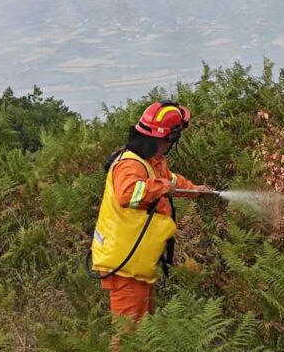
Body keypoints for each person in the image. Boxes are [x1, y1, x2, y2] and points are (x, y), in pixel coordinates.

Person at [89, 100, 214, 327]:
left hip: (137, 263)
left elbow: (171, 180)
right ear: (167, 138)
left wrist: (195, 190)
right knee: (128, 336)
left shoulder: (152, 161)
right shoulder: (130, 164)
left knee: (141, 331)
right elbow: (128, 194)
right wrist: (163, 187)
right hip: (125, 265)